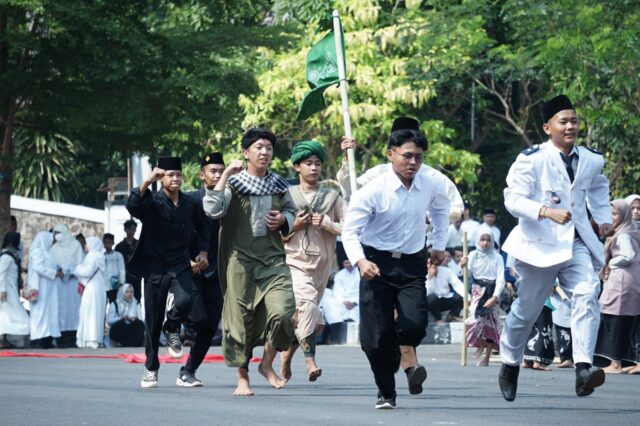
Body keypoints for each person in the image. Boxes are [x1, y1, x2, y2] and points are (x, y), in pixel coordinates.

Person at [499, 94, 612, 401]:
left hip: (575, 242)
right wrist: (545, 211)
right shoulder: (532, 158)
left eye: (574, 120)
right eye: (563, 121)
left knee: (588, 293)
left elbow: (598, 188)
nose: (571, 126)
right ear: (547, 127)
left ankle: (583, 367)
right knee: (527, 311)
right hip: (540, 246)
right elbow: (512, 199)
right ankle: (510, 363)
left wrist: (602, 219)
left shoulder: (591, 159)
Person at [340, 116, 458, 399]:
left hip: (411, 263)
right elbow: (349, 229)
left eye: (418, 156)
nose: (412, 162)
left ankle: (399, 350)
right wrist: (360, 261)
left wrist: (439, 244)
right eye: (407, 155)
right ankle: (386, 391)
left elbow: (445, 209)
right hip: (374, 263)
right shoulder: (372, 186)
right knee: (373, 341)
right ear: (390, 153)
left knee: (414, 327)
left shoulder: (432, 181)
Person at [203, 128, 296, 396]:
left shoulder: (278, 184)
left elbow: (292, 211)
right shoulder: (234, 184)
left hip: (273, 260)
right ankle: (242, 376)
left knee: (283, 312)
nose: (265, 151)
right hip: (240, 262)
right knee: (240, 320)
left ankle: (266, 363)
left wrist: (283, 220)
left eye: (268, 147)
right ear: (246, 153)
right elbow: (212, 209)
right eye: (258, 147)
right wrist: (225, 176)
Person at [126, 156, 211, 388]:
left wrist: (203, 252)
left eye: (178, 175)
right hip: (154, 268)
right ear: (161, 177)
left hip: (180, 264)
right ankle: (150, 369)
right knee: (152, 322)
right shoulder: (151, 202)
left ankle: (172, 325)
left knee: (186, 299)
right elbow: (132, 205)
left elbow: (204, 227)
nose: (175, 179)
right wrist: (147, 181)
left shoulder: (190, 203)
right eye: (170, 175)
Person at [279, 140, 345, 383]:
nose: (314, 168)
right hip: (293, 262)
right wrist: (294, 225)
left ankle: (286, 356)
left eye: (317, 163)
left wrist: (327, 223)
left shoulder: (332, 197)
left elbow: (350, 228)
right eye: (308, 163)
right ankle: (310, 363)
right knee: (308, 307)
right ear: (297, 167)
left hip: (323, 265)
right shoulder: (285, 195)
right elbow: (274, 230)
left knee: (310, 318)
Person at [178, 152, 226, 388]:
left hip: (219, 271)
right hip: (191, 270)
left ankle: (189, 370)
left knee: (210, 325)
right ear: (202, 174)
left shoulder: (229, 200)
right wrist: (188, 261)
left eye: (221, 171)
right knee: (197, 318)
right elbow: (178, 235)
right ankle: (174, 321)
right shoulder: (189, 200)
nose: (217, 175)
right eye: (213, 171)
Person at [595, 199, 640, 374]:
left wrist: (611, 263)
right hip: (630, 280)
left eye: (614, 214)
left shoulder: (623, 234)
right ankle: (623, 361)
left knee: (615, 320)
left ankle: (615, 364)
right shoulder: (630, 230)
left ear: (622, 215)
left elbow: (627, 256)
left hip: (622, 282)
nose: (611, 218)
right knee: (625, 320)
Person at [460, 226, 505, 367]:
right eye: (482, 240)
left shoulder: (497, 257)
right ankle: (480, 344)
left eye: (488, 240)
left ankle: (487, 358)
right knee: (473, 320)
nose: (485, 243)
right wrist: (462, 265)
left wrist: (494, 297)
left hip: (492, 292)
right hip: (477, 291)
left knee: (491, 324)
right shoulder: (472, 255)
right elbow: (466, 273)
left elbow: (501, 279)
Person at [50, 224, 85, 347]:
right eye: (55, 233)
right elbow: (50, 264)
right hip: (59, 284)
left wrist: (72, 271)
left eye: (59, 232)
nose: (57, 236)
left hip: (73, 283)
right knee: (61, 308)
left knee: (74, 308)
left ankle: (73, 335)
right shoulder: (54, 248)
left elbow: (81, 264)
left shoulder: (75, 246)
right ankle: (61, 336)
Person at [27, 231, 63, 348]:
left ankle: (46, 338)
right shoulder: (37, 251)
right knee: (39, 313)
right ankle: (37, 339)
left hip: (48, 288)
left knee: (48, 313)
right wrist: (54, 273)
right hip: (41, 287)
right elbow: (39, 268)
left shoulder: (47, 253)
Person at [74, 237, 107, 349]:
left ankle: (89, 339)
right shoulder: (100, 256)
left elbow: (87, 271)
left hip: (91, 288)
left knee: (89, 312)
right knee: (96, 313)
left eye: (87, 243)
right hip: (99, 288)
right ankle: (96, 338)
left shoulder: (92, 256)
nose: (85, 246)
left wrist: (77, 268)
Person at [0, 232, 29, 347]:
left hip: (10, 290)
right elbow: (1, 273)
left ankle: (4, 339)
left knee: (8, 316)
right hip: (7, 291)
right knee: (14, 316)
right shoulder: (6, 256)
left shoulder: (11, 255)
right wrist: (2, 290)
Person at [320, 259, 360, 343]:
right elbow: (337, 292)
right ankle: (336, 331)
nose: (348, 265)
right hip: (342, 302)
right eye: (346, 263)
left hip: (358, 301)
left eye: (349, 262)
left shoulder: (359, 273)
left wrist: (354, 302)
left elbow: (363, 290)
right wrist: (344, 302)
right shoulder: (340, 274)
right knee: (326, 295)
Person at [425, 257, 464, 323]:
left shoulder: (446, 271)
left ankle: (451, 315)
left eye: (433, 263)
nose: (432, 265)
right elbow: (426, 292)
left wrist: (467, 297)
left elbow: (457, 284)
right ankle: (438, 319)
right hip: (433, 302)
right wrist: (430, 277)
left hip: (445, 298)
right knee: (431, 298)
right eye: (429, 263)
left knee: (460, 297)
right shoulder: (422, 274)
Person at [115, 220, 142, 301]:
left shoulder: (139, 245)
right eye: (129, 229)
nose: (132, 231)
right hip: (124, 278)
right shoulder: (119, 247)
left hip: (136, 278)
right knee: (123, 300)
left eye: (134, 229)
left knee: (136, 300)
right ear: (125, 230)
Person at [103, 233, 126, 303]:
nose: (107, 245)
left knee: (114, 306)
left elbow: (122, 270)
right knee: (103, 306)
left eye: (109, 242)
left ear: (113, 243)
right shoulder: (101, 256)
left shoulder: (118, 255)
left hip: (115, 284)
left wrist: (121, 282)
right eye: (105, 243)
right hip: (104, 285)